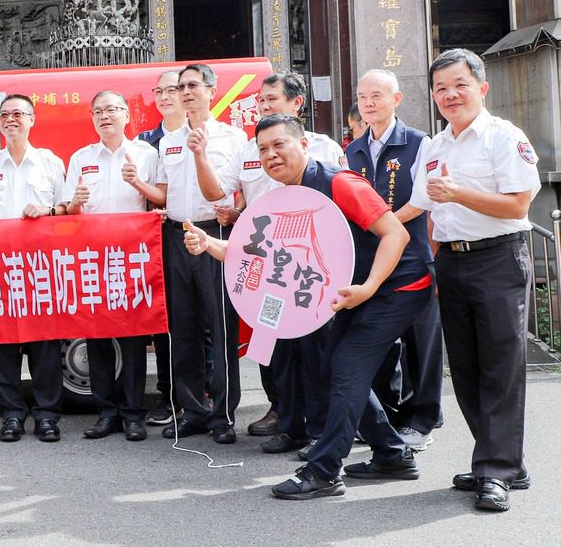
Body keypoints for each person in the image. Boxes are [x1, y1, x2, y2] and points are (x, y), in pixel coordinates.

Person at [184, 115, 430, 501]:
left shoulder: (339, 182)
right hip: (354, 291)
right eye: (263, 149)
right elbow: (262, 252)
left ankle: (324, 470)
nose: (270, 155)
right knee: (333, 366)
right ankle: (392, 455)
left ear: (303, 145)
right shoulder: (285, 195)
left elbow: (395, 234)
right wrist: (210, 244)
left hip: (396, 285)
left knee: (346, 367)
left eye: (279, 145)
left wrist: (369, 287)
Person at [407, 49, 540, 512]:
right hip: (452, 262)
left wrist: (459, 193)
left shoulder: (504, 137)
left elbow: (519, 204)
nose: (450, 95)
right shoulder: (434, 146)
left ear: (481, 87)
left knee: (501, 367)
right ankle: (501, 461)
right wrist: (433, 262)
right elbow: (429, 211)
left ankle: (496, 469)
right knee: (465, 368)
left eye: (459, 85)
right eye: (441, 88)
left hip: (499, 259)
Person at [226, 72, 344, 443]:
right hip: (267, 265)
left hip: (309, 267)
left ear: (296, 103)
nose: (263, 106)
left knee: (314, 346)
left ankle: (322, 426)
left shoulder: (324, 149)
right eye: (260, 100)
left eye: (271, 99)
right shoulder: (249, 149)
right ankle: (285, 417)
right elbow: (239, 199)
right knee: (274, 346)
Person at [152, 63, 248, 444]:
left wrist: (235, 212)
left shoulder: (234, 138)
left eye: (193, 85)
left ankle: (222, 415)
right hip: (177, 237)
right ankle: (192, 410)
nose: (186, 92)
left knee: (221, 326)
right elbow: (164, 192)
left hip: (216, 235)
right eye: (181, 87)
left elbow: (239, 191)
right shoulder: (167, 141)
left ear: (212, 90)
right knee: (183, 328)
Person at [351, 68, 444, 451]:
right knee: (379, 342)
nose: (368, 104)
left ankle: (422, 421)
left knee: (422, 344)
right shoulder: (353, 150)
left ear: (396, 99)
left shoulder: (419, 143)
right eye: (362, 97)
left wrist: (382, 224)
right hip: (372, 261)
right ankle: (387, 418)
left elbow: (422, 201)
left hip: (411, 258)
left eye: (376, 96)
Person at [0, 94, 69, 443]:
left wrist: (46, 211)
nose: (10, 119)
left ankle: (47, 416)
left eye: (18, 114)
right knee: (3, 345)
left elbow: (67, 209)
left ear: (32, 120)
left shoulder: (49, 162)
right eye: (5, 114)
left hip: (40, 266)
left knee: (45, 345)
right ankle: (11, 414)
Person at [64, 91, 162, 443]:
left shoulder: (147, 154)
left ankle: (133, 414)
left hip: (132, 257)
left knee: (133, 338)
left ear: (126, 115)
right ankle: (106, 412)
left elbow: (161, 199)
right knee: (97, 337)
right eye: (98, 111)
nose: (104, 116)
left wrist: (137, 182)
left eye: (111, 110)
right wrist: (75, 203)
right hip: (92, 257)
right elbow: (69, 211)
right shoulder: (81, 157)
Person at [137, 69, 184, 427]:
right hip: (155, 238)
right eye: (159, 91)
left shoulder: (199, 135)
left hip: (192, 233)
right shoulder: (144, 143)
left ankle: (204, 393)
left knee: (200, 320)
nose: (165, 97)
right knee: (163, 320)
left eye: (172, 90)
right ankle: (169, 396)